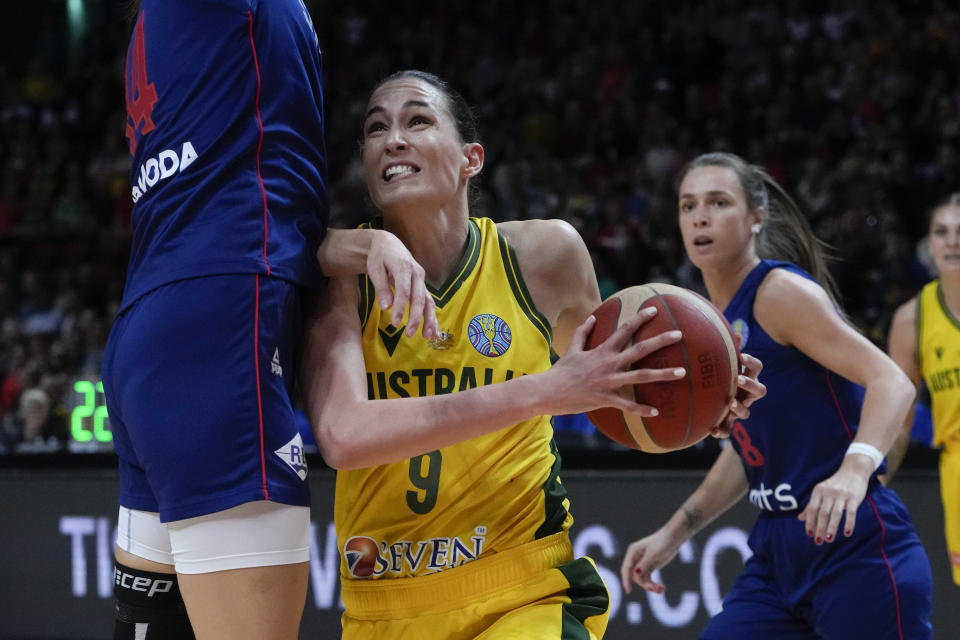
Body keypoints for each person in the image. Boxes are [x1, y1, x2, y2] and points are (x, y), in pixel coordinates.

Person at [300, 72, 765, 639]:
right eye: (376, 128)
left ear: (471, 158)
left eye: (417, 120)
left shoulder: (544, 255)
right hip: (384, 603)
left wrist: (703, 392)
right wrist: (545, 389)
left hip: (524, 590)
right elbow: (344, 437)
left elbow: (613, 384)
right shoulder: (341, 281)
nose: (392, 138)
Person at [103, 3, 440, 640]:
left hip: (150, 327)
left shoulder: (162, 29)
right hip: (222, 332)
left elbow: (265, 222)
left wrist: (365, 246)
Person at [619, 152, 934, 639]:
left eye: (719, 202)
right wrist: (673, 533)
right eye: (688, 206)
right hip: (777, 550)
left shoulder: (778, 292)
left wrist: (855, 469)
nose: (700, 216)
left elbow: (892, 380)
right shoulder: (709, 320)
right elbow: (751, 447)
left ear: (756, 218)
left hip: (855, 547)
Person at [886, 193, 960, 587]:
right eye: (942, 232)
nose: (952, 241)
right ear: (929, 244)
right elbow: (899, 421)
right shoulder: (912, 319)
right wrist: (870, 480)